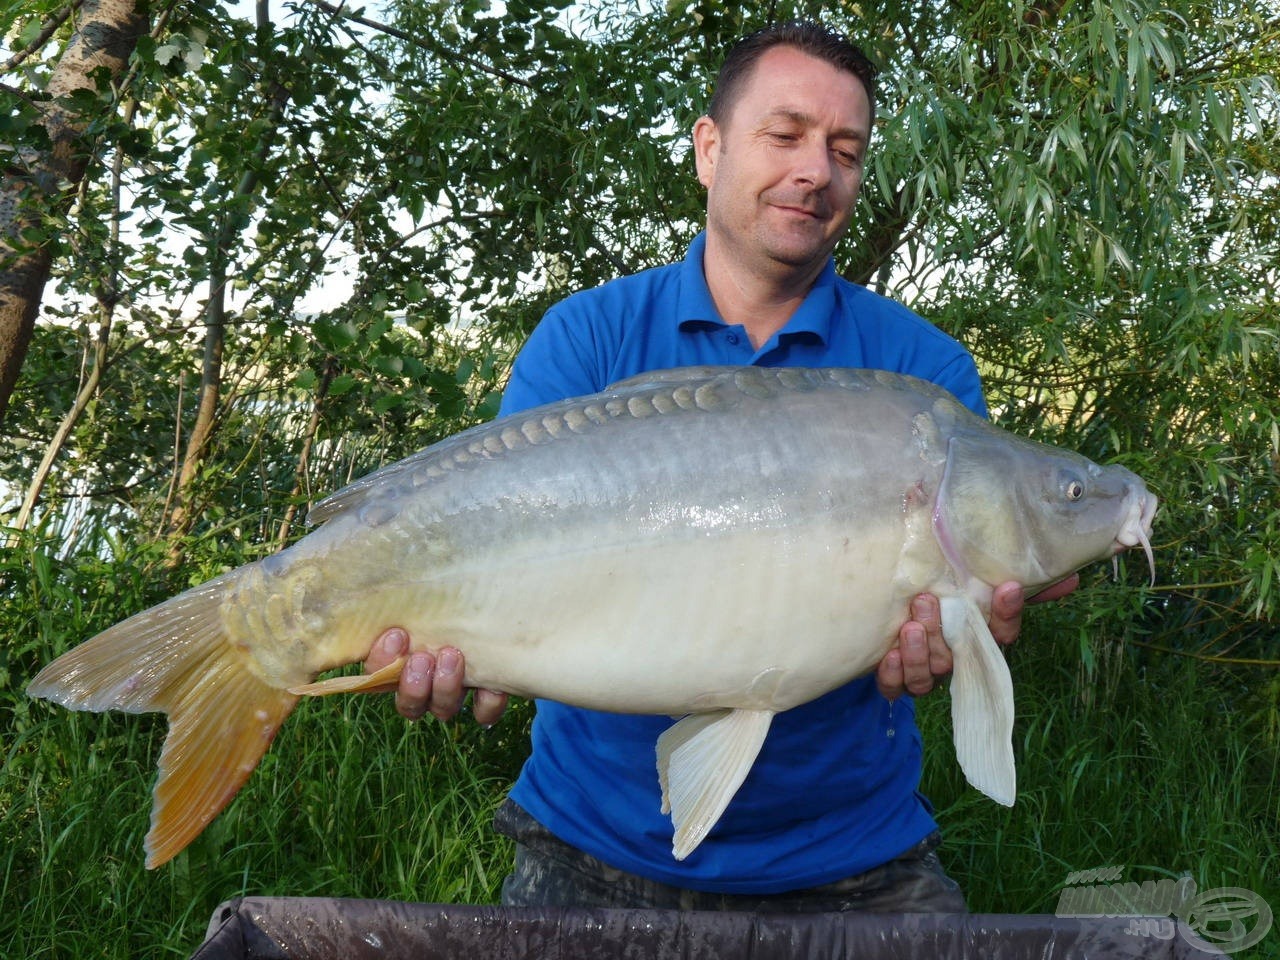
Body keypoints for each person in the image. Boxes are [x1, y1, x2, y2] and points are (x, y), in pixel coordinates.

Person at [363, 19, 1077, 911]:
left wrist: (962, 638)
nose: (816, 170)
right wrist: (433, 639)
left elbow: (966, 599)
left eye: (844, 150)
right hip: (590, 843)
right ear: (709, 149)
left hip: (855, 855)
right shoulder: (588, 338)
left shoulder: (921, 376)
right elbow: (495, 548)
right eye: (785, 135)